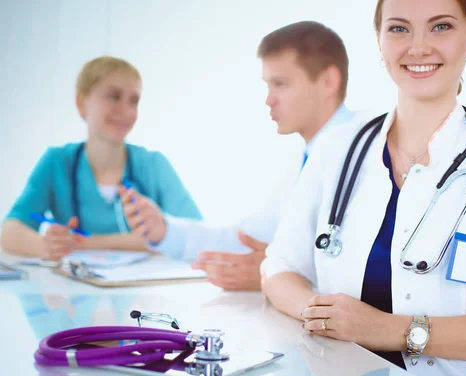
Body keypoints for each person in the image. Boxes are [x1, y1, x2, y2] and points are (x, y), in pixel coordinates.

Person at [260, 1, 466, 376]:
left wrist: (390, 329)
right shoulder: (336, 150)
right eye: (399, 29)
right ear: (379, 42)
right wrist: (325, 316)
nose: (418, 47)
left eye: (441, 27)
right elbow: (279, 268)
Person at [119, 21, 359, 290]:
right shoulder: (302, 160)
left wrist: (275, 275)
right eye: (268, 85)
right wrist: (164, 230)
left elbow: (365, 269)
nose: (269, 100)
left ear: (328, 82)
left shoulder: (367, 153)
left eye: (280, 84)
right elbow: (247, 238)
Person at [0, 56, 202, 259]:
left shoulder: (153, 165)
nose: (126, 110)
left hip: (144, 289)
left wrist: (86, 243)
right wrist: (46, 246)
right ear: (81, 103)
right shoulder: (57, 163)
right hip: (74, 288)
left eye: (134, 101)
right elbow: (9, 231)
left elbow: (194, 234)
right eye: (113, 96)